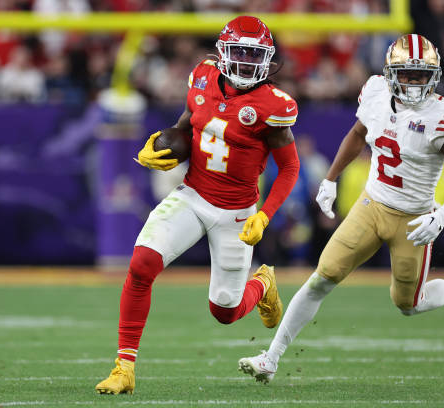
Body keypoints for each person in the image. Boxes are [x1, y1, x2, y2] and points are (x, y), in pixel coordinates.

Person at [238, 34, 444, 383]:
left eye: (422, 75)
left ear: (434, 76)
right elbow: (358, 134)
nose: (415, 82)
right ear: (391, 73)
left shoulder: (442, 116)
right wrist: (331, 179)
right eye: (407, 73)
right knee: (321, 279)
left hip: (414, 217)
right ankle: (271, 358)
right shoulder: (375, 92)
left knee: (409, 304)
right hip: (371, 205)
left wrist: (441, 215)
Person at [95, 16, 300, 395]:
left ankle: (262, 283)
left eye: (253, 55)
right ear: (222, 52)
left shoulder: (273, 105)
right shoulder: (203, 76)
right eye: (238, 52)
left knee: (224, 312)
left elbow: (290, 167)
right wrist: (166, 145)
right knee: (142, 264)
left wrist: (264, 215)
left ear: (267, 59)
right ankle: (124, 367)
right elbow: (190, 123)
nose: (244, 62)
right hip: (193, 194)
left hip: (237, 212)